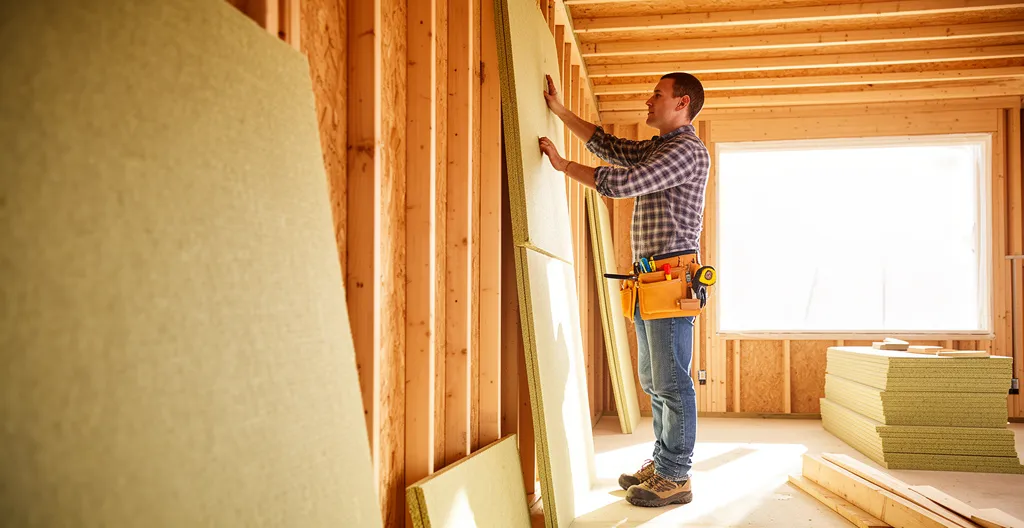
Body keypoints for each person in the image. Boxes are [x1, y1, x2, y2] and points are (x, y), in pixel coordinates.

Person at [539, 72, 710, 508]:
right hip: (650, 279)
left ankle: (676, 476)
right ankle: (664, 461)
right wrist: (560, 112)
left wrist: (564, 166)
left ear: (682, 103)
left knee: (672, 381)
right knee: (655, 379)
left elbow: (623, 183)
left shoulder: (686, 151)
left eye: (658, 94)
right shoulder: (660, 147)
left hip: (671, 280)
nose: (649, 100)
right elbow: (611, 146)